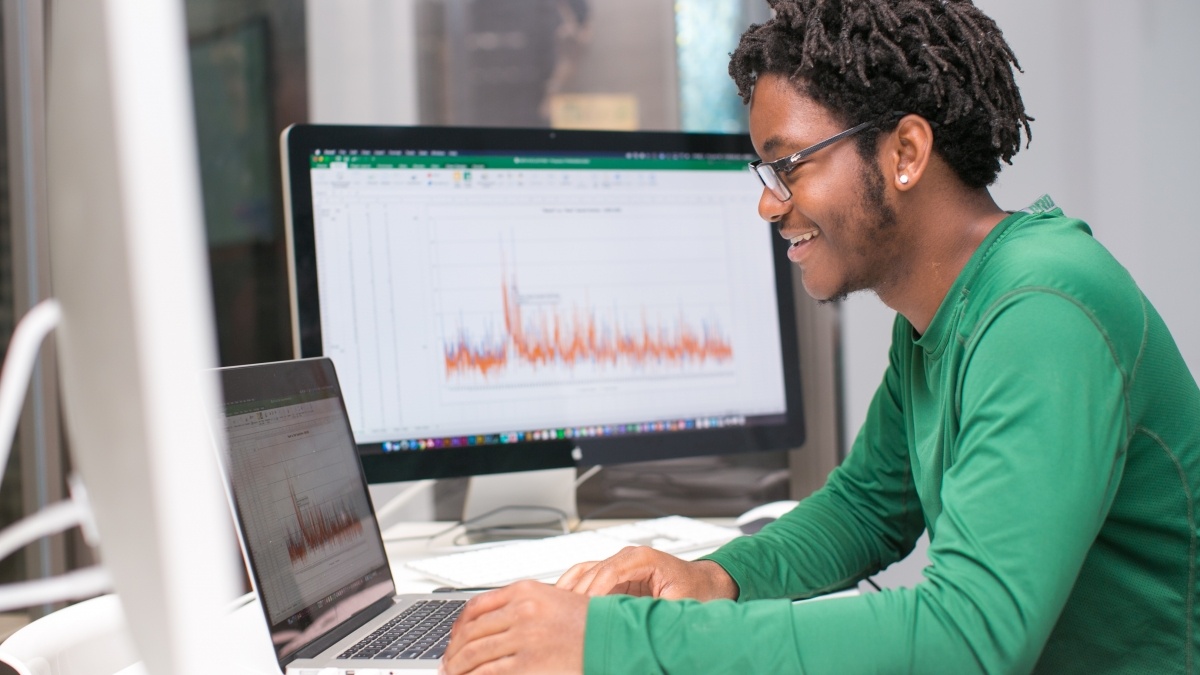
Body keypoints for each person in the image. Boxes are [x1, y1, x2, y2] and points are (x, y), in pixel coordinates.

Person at [440, 0, 1200, 672]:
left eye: (790, 166)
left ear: (905, 153)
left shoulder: (1041, 308)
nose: (770, 206)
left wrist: (612, 644)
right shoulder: (943, 313)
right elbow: (866, 509)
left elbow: (969, 636)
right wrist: (717, 577)